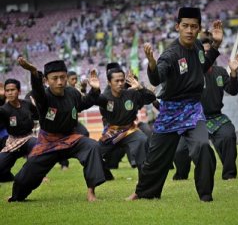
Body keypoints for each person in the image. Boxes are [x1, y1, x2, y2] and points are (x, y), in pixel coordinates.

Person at [127, 7, 223, 202]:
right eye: (185, 26)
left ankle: (206, 195)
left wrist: (215, 46)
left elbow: (203, 66)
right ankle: (144, 192)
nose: (189, 30)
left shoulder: (197, 46)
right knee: (156, 157)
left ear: (198, 29)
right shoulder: (170, 54)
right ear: (177, 26)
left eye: (193, 27)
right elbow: (157, 78)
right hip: (170, 110)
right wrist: (153, 66)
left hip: (193, 109)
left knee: (203, 146)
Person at [8, 57, 105, 202]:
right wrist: (34, 72)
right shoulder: (43, 97)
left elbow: (85, 103)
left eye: (62, 77)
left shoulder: (72, 93)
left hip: (71, 139)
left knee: (92, 146)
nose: (59, 82)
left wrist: (95, 90)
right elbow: (38, 91)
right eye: (54, 78)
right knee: (24, 178)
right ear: (46, 81)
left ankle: (91, 191)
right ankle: (17, 196)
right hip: (48, 142)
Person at [173, 38, 238, 180]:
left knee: (228, 135)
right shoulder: (188, 72)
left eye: (208, 52)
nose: (206, 54)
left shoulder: (220, 72)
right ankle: (181, 176)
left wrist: (234, 73)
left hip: (216, 117)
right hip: (193, 118)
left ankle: (229, 175)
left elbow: (233, 91)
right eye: (203, 52)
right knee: (179, 150)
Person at [96, 68, 155, 180]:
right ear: (109, 82)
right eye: (116, 81)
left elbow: (151, 98)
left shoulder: (131, 93)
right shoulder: (105, 97)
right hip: (112, 131)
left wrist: (140, 88)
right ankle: (107, 176)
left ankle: (144, 182)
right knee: (93, 152)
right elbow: (90, 100)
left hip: (130, 129)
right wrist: (90, 90)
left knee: (142, 140)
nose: (120, 83)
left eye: (122, 80)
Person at [0, 79, 38, 182]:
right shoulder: (3, 110)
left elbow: (39, 116)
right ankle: (10, 178)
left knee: (36, 145)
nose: (10, 93)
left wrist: (37, 107)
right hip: (13, 142)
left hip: (29, 138)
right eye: (7, 90)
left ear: (19, 91)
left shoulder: (27, 104)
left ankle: (37, 176)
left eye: (12, 90)